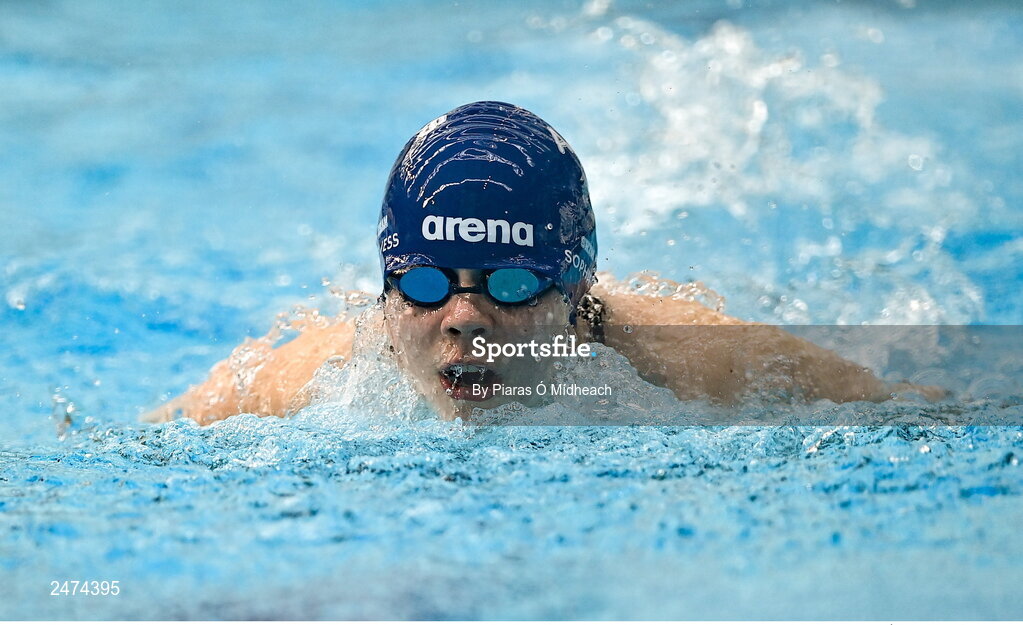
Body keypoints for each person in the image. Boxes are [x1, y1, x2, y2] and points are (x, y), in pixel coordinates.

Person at [144, 101, 943, 425]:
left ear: (575, 293)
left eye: (512, 285)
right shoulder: (306, 379)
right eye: (424, 286)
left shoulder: (698, 364)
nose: (462, 318)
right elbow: (143, 444)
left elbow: (927, 414)